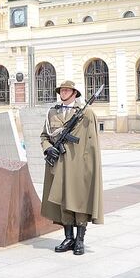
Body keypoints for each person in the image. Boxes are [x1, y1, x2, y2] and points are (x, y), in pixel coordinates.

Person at [40, 80, 103, 256]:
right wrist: (48, 148)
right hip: (59, 163)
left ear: (74, 93)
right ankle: (68, 237)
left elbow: (92, 142)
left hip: (78, 165)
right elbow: (44, 135)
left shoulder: (86, 113)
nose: (64, 92)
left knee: (79, 200)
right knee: (63, 200)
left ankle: (80, 240)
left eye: (68, 90)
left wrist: (89, 165)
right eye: (62, 90)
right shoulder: (52, 112)